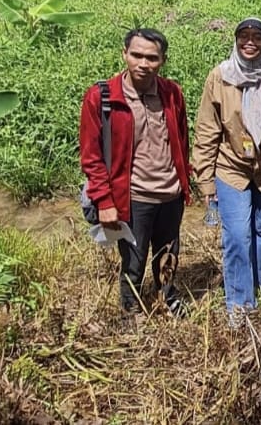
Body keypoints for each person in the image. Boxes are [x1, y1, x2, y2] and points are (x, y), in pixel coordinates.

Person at [79, 28, 191, 315]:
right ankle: (132, 310)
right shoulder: (102, 97)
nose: (143, 63)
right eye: (136, 55)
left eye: (151, 58)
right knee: (133, 259)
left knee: (168, 253)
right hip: (133, 196)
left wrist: (185, 182)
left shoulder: (172, 93)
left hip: (170, 193)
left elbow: (181, 139)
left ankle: (168, 297)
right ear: (124, 54)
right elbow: (91, 157)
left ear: (162, 60)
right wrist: (104, 201)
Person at [192, 18, 261, 325]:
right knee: (236, 235)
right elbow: (207, 129)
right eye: (244, 36)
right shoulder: (220, 77)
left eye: (258, 37)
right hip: (231, 167)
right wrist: (205, 180)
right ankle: (240, 302)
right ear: (235, 41)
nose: (250, 42)